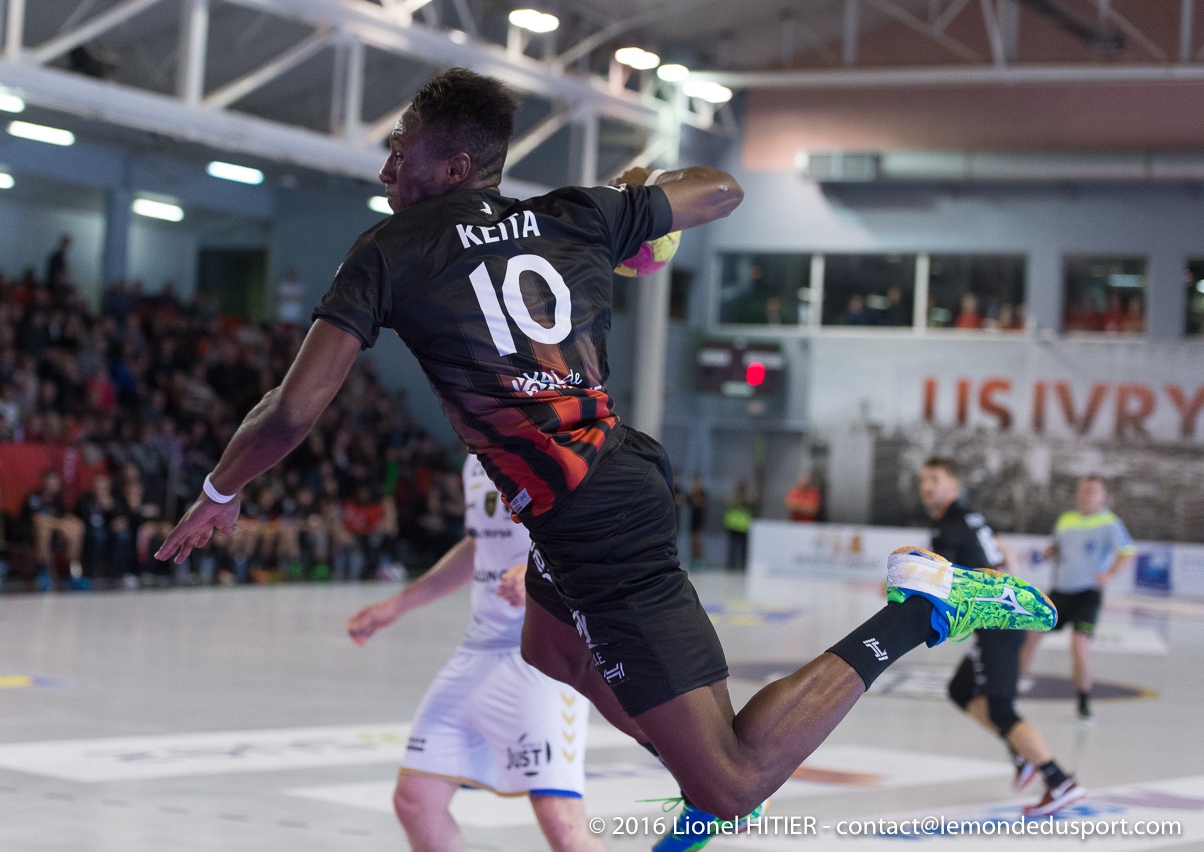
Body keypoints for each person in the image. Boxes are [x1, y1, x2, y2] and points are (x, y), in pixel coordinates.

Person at [156, 68, 1057, 850]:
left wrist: (219, 489)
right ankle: (697, 752)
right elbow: (721, 190)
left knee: (733, 785)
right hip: (594, 491)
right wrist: (636, 197)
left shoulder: (389, 251)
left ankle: (919, 612)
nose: (388, 168)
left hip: (596, 517)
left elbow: (294, 409)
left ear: (456, 166)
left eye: (403, 152)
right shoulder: (575, 216)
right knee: (548, 648)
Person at [347, 455, 603, 852]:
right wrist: (397, 605)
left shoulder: (557, 447)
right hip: (478, 650)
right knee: (416, 801)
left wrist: (539, 575)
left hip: (543, 652)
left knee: (562, 822)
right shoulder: (475, 460)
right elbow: (480, 544)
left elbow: (598, 541)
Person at [919, 457, 1085, 817]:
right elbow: (1003, 559)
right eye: (923, 480)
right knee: (961, 689)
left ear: (953, 486)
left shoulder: (949, 526)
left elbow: (940, 582)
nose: (926, 487)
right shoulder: (970, 519)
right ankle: (1019, 751)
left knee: (1001, 708)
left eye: (935, 479)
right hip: (1002, 615)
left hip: (999, 622)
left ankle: (1059, 781)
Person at [1020, 475, 1135, 722]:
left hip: (1087, 594)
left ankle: (1083, 700)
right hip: (1061, 591)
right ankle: (1012, 688)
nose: (1086, 495)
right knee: (1030, 634)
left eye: (1092, 491)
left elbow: (1127, 553)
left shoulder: (1110, 523)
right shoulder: (1066, 519)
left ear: (1102, 496)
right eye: (1083, 490)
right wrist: (1046, 553)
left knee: (1079, 645)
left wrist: (1109, 574)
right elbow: (1057, 548)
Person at [723, 479, 755, 571]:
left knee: (742, 549)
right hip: (734, 525)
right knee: (733, 547)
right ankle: (731, 566)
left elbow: (753, 501)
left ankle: (742, 566)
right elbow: (727, 502)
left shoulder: (747, 499)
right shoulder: (734, 497)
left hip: (742, 526)